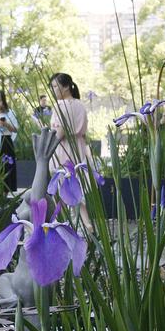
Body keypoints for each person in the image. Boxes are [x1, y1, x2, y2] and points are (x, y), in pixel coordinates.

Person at [49, 72, 93, 231]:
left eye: (55, 86)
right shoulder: (80, 105)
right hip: (78, 149)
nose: (53, 90)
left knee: (62, 192)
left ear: (66, 86)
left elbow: (59, 134)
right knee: (77, 192)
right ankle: (87, 226)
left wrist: (45, 150)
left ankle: (65, 229)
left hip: (62, 151)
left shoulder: (60, 106)